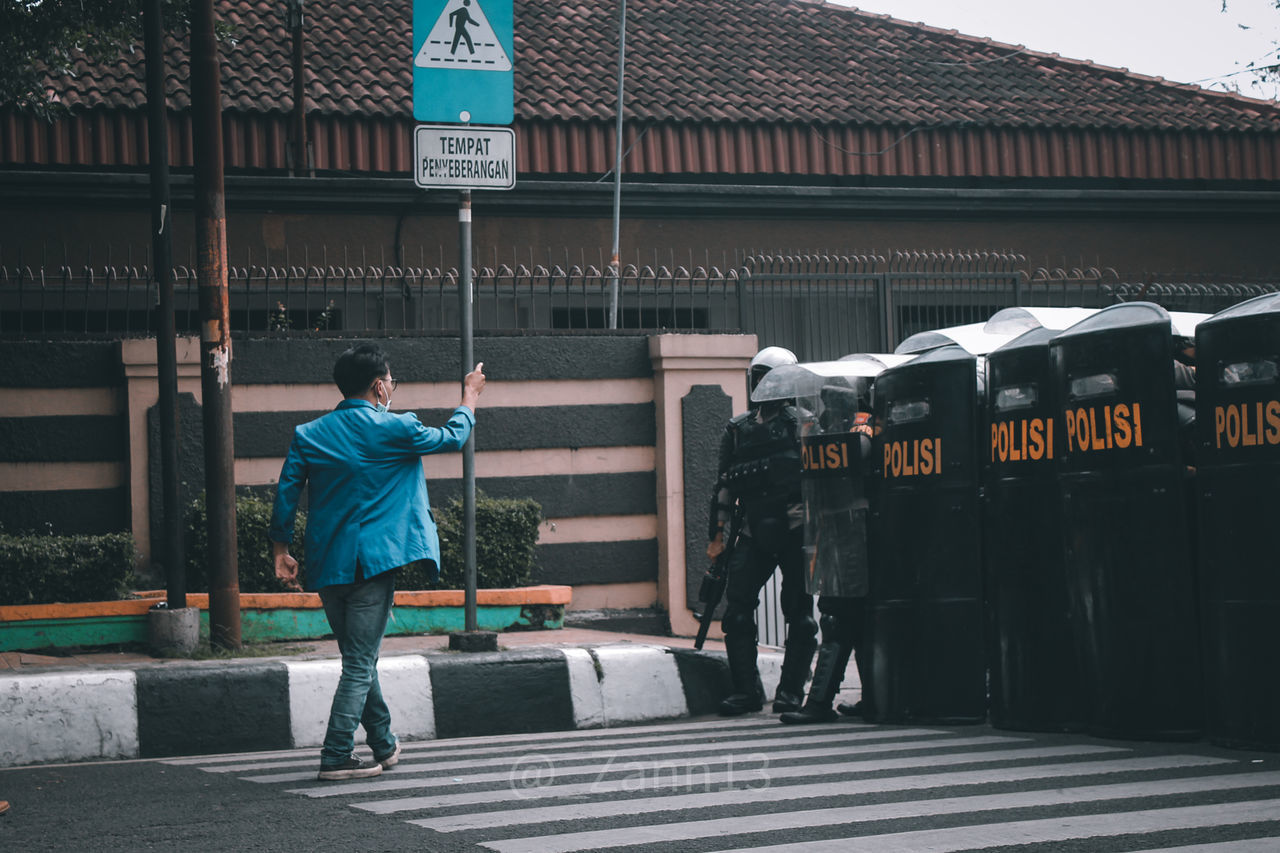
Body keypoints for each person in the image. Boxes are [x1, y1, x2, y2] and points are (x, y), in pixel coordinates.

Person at [270, 344, 485, 781]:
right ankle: (335, 754)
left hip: (327, 565)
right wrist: (470, 396)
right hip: (373, 564)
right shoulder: (396, 428)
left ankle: (384, 745)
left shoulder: (309, 433)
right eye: (390, 381)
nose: (391, 388)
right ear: (378, 385)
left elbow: (286, 493)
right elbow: (453, 437)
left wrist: (280, 550)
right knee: (359, 663)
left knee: (358, 657)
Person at [707, 346, 818, 716]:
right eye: (759, 376)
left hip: (794, 525)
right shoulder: (738, 429)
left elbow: (818, 479)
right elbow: (723, 485)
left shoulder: (803, 423)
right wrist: (717, 537)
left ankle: (790, 692)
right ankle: (747, 691)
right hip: (753, 528)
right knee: (737, 612)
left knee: (799, 613)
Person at [782, 383, 876, 725]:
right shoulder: (827, 426)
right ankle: (868, 697)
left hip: (859, 530)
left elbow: (860, 449)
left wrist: (825, 434)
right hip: (833, 528)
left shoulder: (864, 421)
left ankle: (820, 702)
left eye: (834, 401)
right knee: (843, 616)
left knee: (841, 617)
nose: (828, 407)